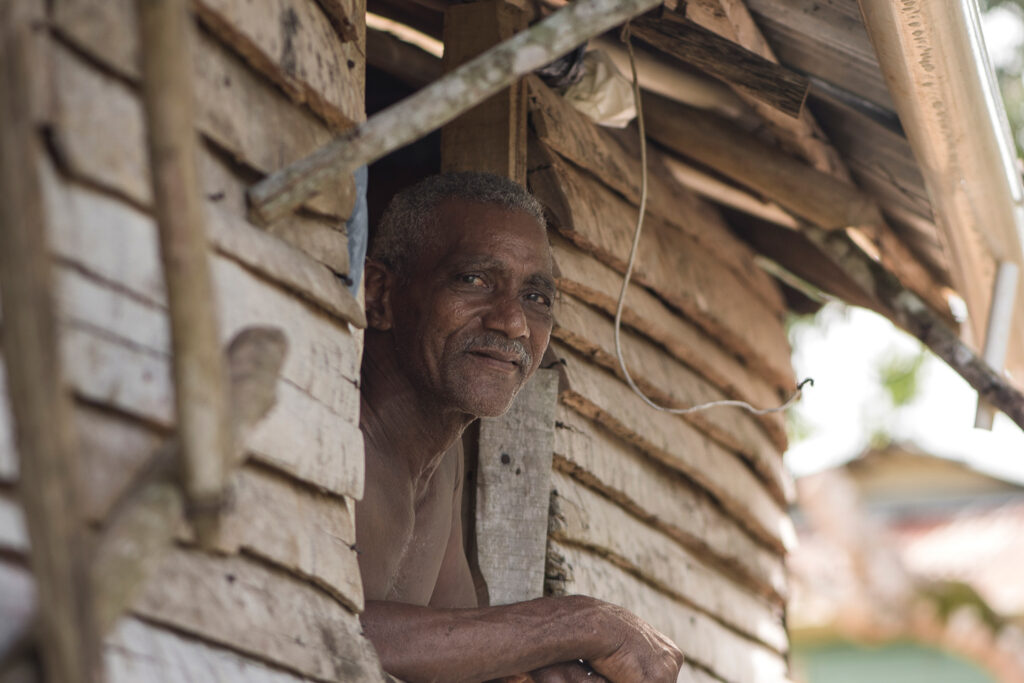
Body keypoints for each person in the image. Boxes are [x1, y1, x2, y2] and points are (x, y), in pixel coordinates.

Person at [356, 172, 684, 683]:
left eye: (536, 298)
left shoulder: (441, 463)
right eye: (474, 280)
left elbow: (448, 651)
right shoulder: (332, 425)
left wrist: (534, 674)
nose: (512, 323)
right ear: (379, 294)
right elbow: (315, 615)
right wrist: (582, 623)